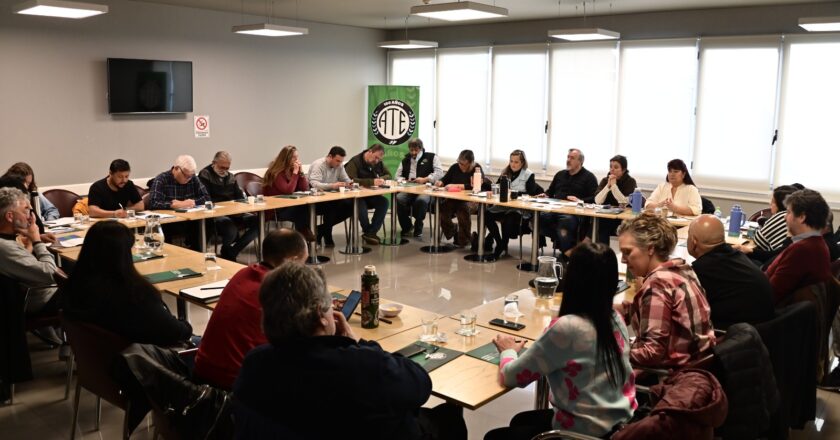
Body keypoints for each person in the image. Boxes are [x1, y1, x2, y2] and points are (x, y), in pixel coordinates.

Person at [233, 262, 467, 439]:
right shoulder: (360, 366)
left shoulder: (255, 362)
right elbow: (420, 386)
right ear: (321, 316)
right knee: (449, 416)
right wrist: (359, 345)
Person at [485, 243, 636, 440]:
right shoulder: (614, 317)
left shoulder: (568, 328)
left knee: (494, 437)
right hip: (620, 425)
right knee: (521, 421)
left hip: (582, 433)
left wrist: (508, 351)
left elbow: (513, 376)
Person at [194, 229, 308, 390]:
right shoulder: (281, 290)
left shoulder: (243, 273)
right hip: (235, 387)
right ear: (292, 261)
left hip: (202, 371)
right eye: (303, 263)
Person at [61, 221, 192, 345]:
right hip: (145, 362)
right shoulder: (133, 295)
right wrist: (186, 326)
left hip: (99, 361)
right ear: (123, 254)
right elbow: (175, 332)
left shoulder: (75, 285)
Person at [616, 212, 715, 368]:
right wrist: (625, 310)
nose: (623, 259)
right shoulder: (682, 269)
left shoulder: (658, 285)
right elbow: (663, 313)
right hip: (699, 362)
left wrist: (608, 351)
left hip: (673, 375)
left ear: (650, 249)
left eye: (628, 252)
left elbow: (650, 353)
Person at [687, 215, 774, 329]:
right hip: (764, 327)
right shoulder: (736, 255)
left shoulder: (701, 270)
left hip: (736, 335)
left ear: (693, 242)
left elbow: (692, 314)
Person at [0, 187, 62, 315]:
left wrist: (31, 239)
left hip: (37, 292)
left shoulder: (9, 239)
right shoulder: (5, 246)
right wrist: (37, 240)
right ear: (10, 216)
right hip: (43, 299)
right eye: (26, 210)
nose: (31, 216)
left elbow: (21, 263)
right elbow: (51, 274)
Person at [765, 189, 832, 305]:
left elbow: (770, 294)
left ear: (801, 217)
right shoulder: (816, 244)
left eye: (789, 212)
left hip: (772, 316)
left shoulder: (803, 250)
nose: (785, 217)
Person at [198, 151, 259, 261]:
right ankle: (228, 251)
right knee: (230, 228)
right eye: (222, 167)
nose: (225, 171)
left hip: (234, 213)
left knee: (258, 222)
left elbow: (239, 197)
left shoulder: (230, 176)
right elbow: (206, 199)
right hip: (216, 214)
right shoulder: (205, 174)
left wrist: (241, 207)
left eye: (227, 168)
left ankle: (232, 251)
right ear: (214, 163)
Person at [538, 149, 598, 254]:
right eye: (568, 157)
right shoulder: (560, 174)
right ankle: (568, 248)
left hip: (574, 213)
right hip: (555, 209)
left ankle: (567, 252)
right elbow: (550, 191)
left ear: (580, 161)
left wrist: (581, 200)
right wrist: (545, 195)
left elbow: (595, 198)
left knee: (565, 222)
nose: (568, 160)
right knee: (537, 217)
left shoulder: (589, 177)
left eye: (572, 158)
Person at [485, 150, 540, 258]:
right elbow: (497, 187)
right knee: (486, 215)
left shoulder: (528, 174)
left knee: (508, 218)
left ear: (522, 163)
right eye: (511, 161)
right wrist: (493, 190)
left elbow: (531, 194)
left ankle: (500, 247)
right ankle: (500, 243)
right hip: (503, 206)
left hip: (519, 209)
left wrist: (515, 193)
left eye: (516, 162)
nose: (513, 164)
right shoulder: (505, 172)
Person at [148, 155, 210, 250]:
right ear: (176, 168)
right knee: (165, 228)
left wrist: (192, 202)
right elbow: (153, 203)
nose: (189, 179)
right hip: (169, 222)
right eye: (186, 176)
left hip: (189, 220)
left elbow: (206, 197)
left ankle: (197, 254)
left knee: (206, 223)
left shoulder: (193, 178)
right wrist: (174, 205)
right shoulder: (161, 179)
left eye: (191, 176)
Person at [436, 149, 490, 248]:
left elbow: (476, 186)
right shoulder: (455, 167)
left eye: (464, 164)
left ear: (471, 163)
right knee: (442, 208)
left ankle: (463, 240)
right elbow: (445, 179)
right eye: (459, 163)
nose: (461, 166)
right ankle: (454, 231)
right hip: (454, 199)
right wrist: (440, 182)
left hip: (472, 200)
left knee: (462, 209)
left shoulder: (477, 169)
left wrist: (458, 186)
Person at [733, 184, 797, 266]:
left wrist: (749, 250)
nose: (770, 203)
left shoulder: (781, 216)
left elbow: (759, 240)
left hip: (768, 265)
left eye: (773, 201)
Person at [262, 145, 314, 241]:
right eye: (294, 157)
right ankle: (303, 235)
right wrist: (295, 173)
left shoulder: (291, 170)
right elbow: (288, 190)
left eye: (297, 157)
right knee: (302, 209)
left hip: (288, 206)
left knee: (305, 206)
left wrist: (301, 173)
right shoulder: (275, 172)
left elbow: (304, 188)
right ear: (286, 158)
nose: (296, 160)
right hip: (275, 209)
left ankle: (303, 235)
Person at [395, 138, 443, 238]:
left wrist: (425, 179)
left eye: (416, 150)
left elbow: (439, 174)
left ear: (421, 149)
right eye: (411, 150)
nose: (413, 153)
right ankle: (407, 226)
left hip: (427, 189)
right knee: (398, 198)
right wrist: (404, 180)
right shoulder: (405, 160)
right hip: (409, 188)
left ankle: (418, 223)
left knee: (421, 200)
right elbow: (397, 176)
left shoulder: (432, 157)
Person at [344, 144, 391, 245]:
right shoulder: (355, 162)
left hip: (370, 194)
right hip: (357, 196)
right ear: (370, 152)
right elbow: (350, 180)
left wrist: (382, 179)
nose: (377, 161)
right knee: (361, 207)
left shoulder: (378, 162)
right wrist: (371, 182)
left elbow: (389, 175)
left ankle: (371, 232)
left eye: (379, 159)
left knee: (384, 202)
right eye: (376, 157)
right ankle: (368, 232)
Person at [306, 146, 354, 247]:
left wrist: (350, 183)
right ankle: (327, 235)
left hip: (332, 198)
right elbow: (314, 183)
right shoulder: (318, 165)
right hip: (316, 199)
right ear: (329, 156)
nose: (339, 164)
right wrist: (333, 185)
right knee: (331, 208)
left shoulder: (340, 166)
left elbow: (346, 179)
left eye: (341, 161)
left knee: (351, 206)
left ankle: (321, 230)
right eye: (337, 161)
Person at [594, 155, 637, 245]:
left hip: (623, 218)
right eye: (611, 167)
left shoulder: (630, 181)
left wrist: (614, 186)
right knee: (600, 225)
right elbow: (597, 201)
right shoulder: (605, 180)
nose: (612, 169)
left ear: (624, 170)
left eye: (616, 167)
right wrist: (608, 186)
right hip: (607, 216)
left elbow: (624, 202)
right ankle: (603, 255)